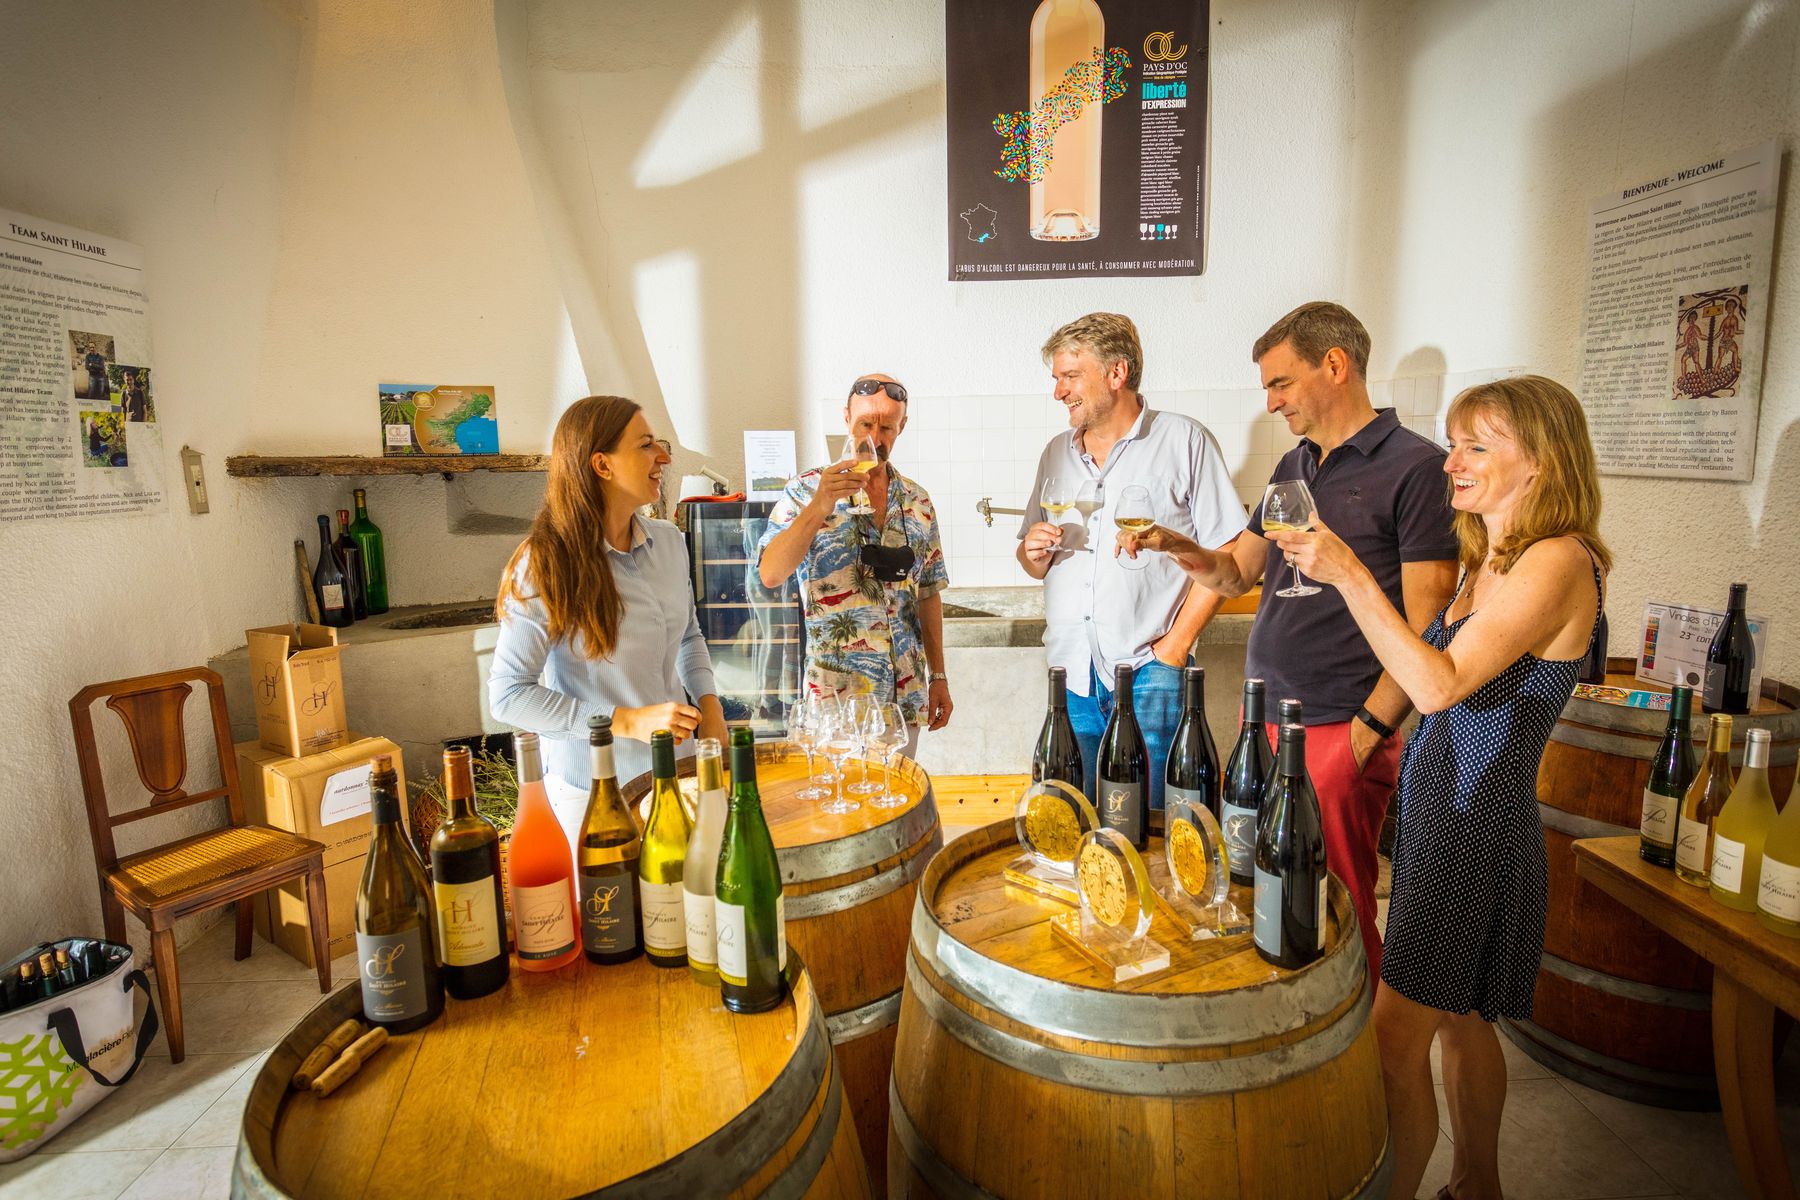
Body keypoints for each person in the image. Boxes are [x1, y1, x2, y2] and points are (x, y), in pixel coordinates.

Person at [1265, 375, 1609, 1200]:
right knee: (1460, 1020)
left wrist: (1351, 574)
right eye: (1453, 443)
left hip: (1473, 830)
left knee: (1393, 1043)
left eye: (1476, 446)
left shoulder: (1559, 560)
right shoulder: (1495, 558)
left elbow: (1439, 684)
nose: (1451, 462)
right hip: (1442, 817)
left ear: (1541, 461)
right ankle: (1477, 1183)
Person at [1112, 302, 1459, 975]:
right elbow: (1236, 571)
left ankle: (1355, 1036)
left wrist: (1367, 732)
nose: (1270, 402)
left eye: (1280, 383)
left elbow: (1428, 625)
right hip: (1264, 722)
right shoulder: (1293, 466)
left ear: (1335, 365)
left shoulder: (1417, 469)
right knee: (1265, 892)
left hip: (1339, 724)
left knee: (1335, 909)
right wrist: (1174, 544)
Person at [1017, 312, 1244, 811]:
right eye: (1056, 379)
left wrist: (1175, 648)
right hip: (1071, 673)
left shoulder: (1184, 440)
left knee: (1161, 820)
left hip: (1150, 671)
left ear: (1116, 373)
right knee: (1075, 817)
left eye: (1070, 377)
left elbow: (1229, 553)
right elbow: (1033, 561)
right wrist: (1031, 552)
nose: (1058, 392)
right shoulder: (1055, 453)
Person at [489, 395, 727, 846]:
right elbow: (509, 695)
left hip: (679, 776)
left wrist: (710, 706)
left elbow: (688, 635)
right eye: (646, 445)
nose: (663, 458)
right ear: (602, 464)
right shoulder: (542, 564)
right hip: (596, 793)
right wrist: (624, 721)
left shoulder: (669, 542)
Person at [757, 373, 950, 758]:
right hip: (833, 706)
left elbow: (928, 594)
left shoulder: (918, 501)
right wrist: (819, 507)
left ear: (902, 427)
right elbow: (771, 573)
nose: (875, 438)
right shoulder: (804, 491)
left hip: (904, 701)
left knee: (900, 794)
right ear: (846, 418)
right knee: (837, 797)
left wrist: (939, 676)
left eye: (887, 427)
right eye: (865, 424)